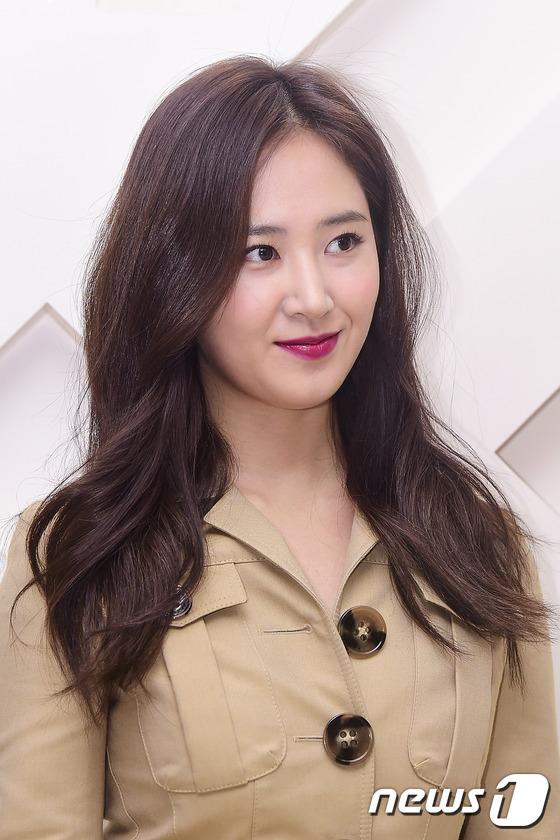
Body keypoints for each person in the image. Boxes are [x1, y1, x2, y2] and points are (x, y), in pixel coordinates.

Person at [0, 54, 559, 839]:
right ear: (173, 273)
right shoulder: (81, 555)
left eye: (344, 241)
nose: (314, 298)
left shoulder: (475, 540)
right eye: (259, 253)